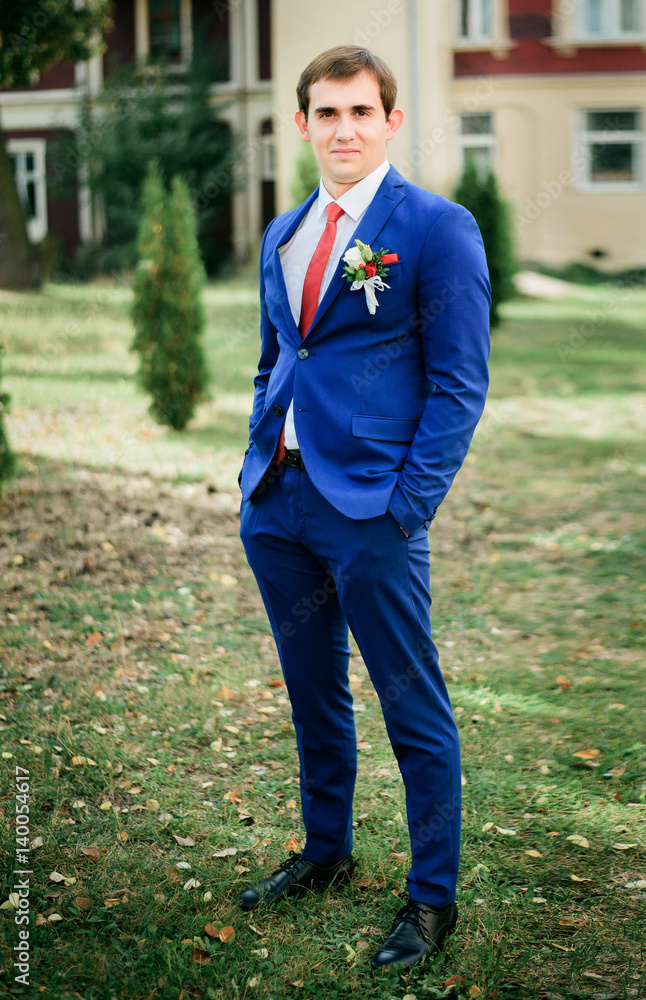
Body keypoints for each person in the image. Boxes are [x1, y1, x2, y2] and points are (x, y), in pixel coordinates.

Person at [237, 45, 490, 970]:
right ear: (302, 125)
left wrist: (406, 506)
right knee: (313, 691)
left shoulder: (435, 227)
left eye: (361, 112)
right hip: (280, 504)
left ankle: (431, 899)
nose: (344, 128)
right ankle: (327, 850)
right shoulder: (285, 233)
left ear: (388, 121)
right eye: (326, 113)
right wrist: (258, 455)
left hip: (374, 512)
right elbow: (279, 356)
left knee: (410, 701)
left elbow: (460, 385)